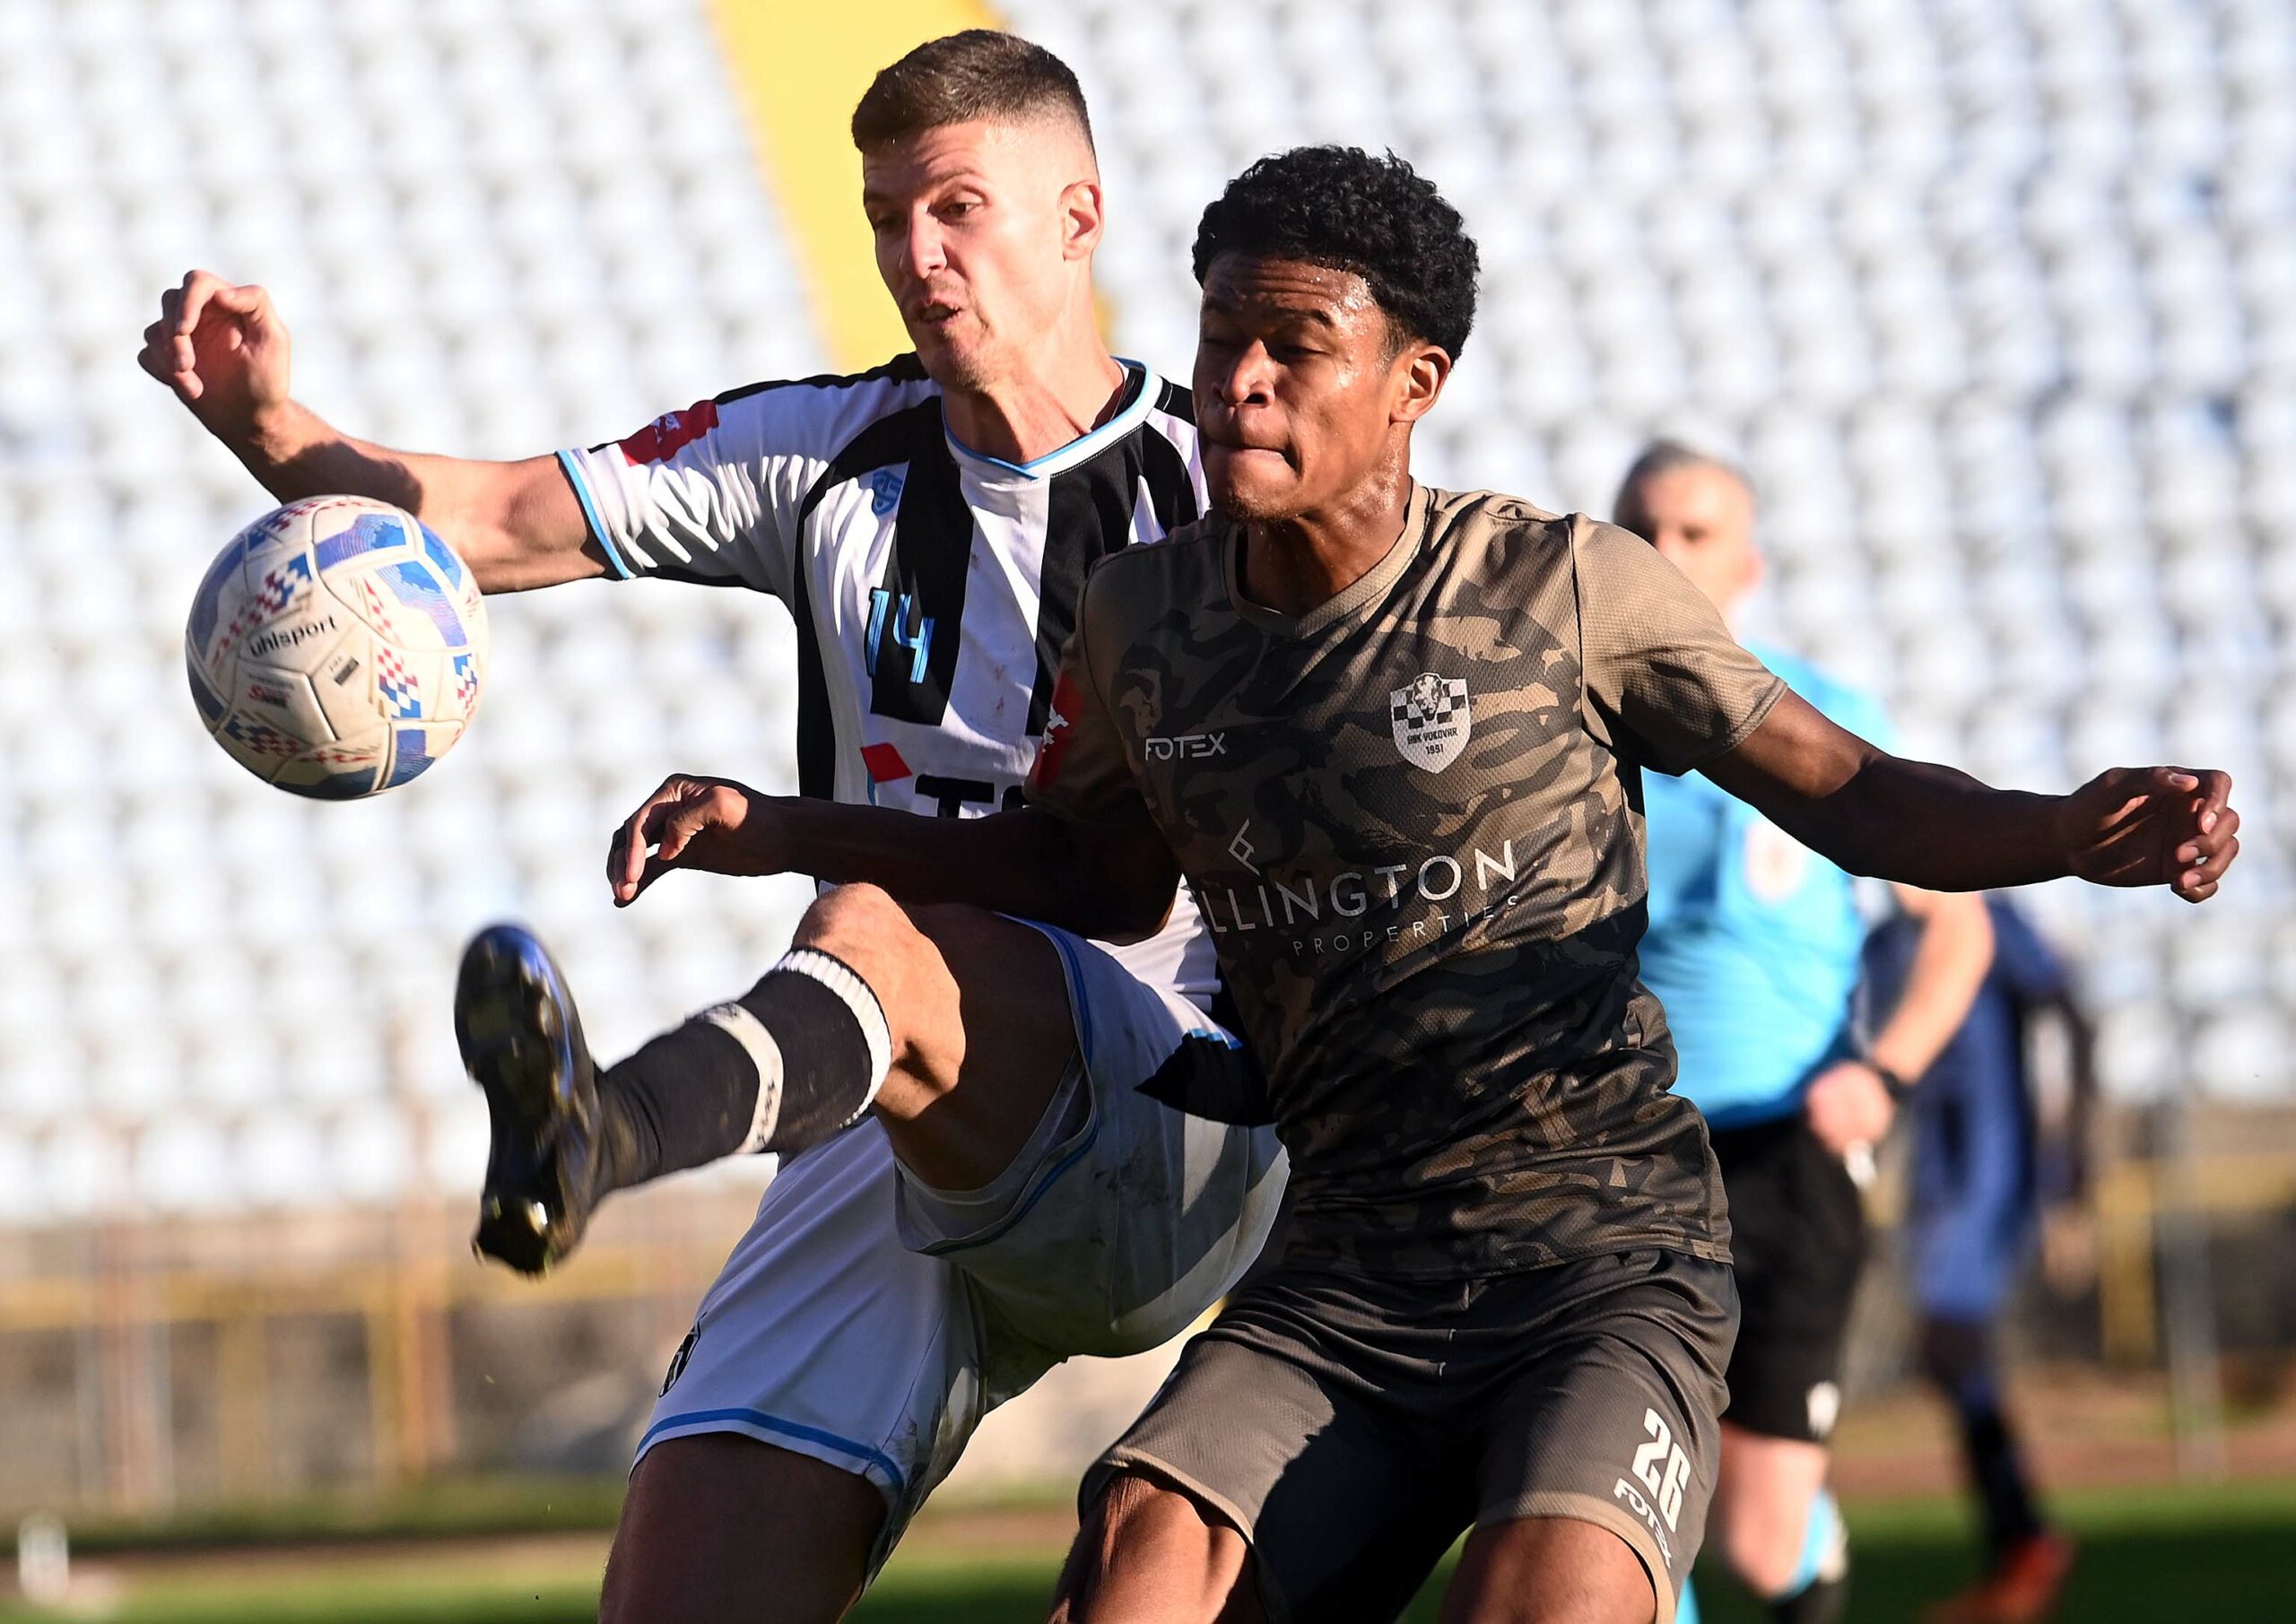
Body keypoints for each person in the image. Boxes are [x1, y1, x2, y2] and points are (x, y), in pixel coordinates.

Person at [600, 144, 2239, 1623]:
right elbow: (1076, 871)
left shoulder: (1567, 589)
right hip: (1343, 1281)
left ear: (1411, 382)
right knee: (1134, 1578)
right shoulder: (1148, 618)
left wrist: (2071, 827)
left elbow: (1858, 796)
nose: (1236, 381)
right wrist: (791, 826)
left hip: (1604, 1272)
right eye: (1223, 332)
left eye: (1292, 348)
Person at [137, 31, 1284, 1623]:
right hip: (888, 1090)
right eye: (887, 218)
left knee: (874, 915)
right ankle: (633, 1129)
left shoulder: (1226, 491)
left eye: (958, 208)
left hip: (1173, 1105)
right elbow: (482, 521)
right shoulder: (828, 452)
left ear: (1080, 217)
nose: (915, 255)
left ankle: (612, 1128)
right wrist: (269, 425)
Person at [1617, 443, 1997, 1624]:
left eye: (1695, 531)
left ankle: (1809, 1566)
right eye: (1646, 530)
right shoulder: (1577, 723)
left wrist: (1881, 1073)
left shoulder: (1824, 715)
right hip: (1619, 1153)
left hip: (1791, 1145)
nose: (1669, 553)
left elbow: (1957, 934)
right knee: (1614, 1509)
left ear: (1749, 560)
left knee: (1762, 1532)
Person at [1866, 896, 2093, 1624]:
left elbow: (2072, 1011)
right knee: (1951, 1350)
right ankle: (2018, 1546)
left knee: (1952, 1340)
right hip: (1932, 1175)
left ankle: (2024, 1541)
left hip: (1991, 1169)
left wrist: (2074, 1172)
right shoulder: (1883, 940)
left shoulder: (1986, 913)